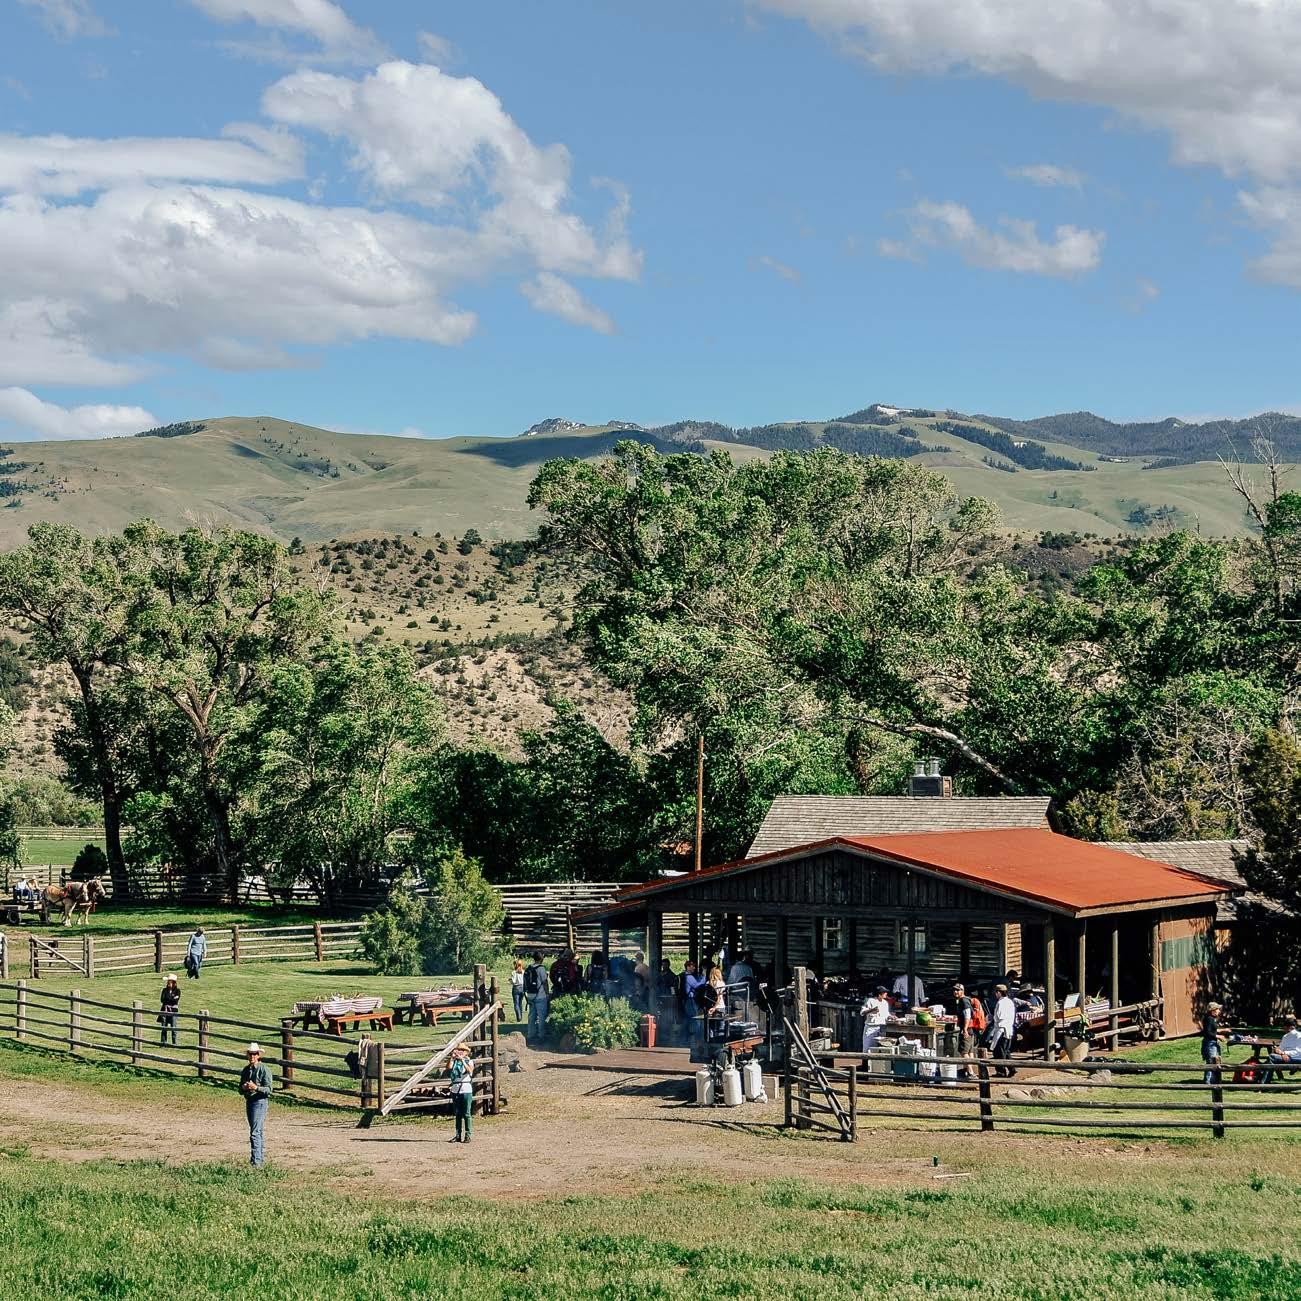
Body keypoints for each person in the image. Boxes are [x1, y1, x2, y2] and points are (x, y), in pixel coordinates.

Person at [239, 1042, 273, 1167]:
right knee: (257, 1131)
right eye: (250, 1054)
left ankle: (256, 1162)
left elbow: (269, 1089)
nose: (252, 1056)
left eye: (255, 1054)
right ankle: (258, 1159)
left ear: (258, 1055)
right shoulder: (245, 1070)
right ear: (247, 1055)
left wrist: (256, 1088)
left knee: (255, 1132)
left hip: (259, 1102)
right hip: (250, 1101)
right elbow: (239, 1089)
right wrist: (243, 1088)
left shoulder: (264, 1069)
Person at [987, 984, 1017, 1077]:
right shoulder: (1010, 1002)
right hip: (1009, 1028)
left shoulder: (1000, 1003)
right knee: (1005, 1051)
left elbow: (999, 1016)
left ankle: (1001, 1072)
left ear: (999, 992)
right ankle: (1012, 1068)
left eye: (996, 992)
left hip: (1001, 1029)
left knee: (998, 1052)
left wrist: (992, 1018)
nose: (996, 994)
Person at [448, 1043, 474, 1144]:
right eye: (459, 1050)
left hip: (466, 1088)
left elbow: (469, 1070)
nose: (460, 1052)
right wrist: (452, 1058)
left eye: (462, 1051)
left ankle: (468, 1134)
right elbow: (449, 1067)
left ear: (466, 1052)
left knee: (467, 1113)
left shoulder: (469, 1061)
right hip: (456, 1088)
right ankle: (458, 1134)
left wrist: (462, 1060)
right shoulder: (454, 1062)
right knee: (458, 1113)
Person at [524, 950, 549, 1043]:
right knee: (541, 1017)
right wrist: (547, 994)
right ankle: (541, 1035)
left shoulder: (529, 968)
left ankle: (530, 1034)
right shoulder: (541, 969)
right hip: (540, 995)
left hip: (531, 995)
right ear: (542, 958)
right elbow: (544, 982)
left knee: (532, 1016)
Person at [1200, 1001, 1228, 1084]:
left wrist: (1223, 1030)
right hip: (1210, 1043)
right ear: (1213, 1010)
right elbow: (1207, 1032)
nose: (1219, 1011)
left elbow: (1213, 1030)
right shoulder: (1209, 1019)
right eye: (1218, 1009)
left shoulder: (1211, 1019)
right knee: (1211, 1061)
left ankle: (1213, 1080)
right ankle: (1208, 1082)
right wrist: (1219, 1036)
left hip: (1212, 1042)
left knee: (1215, 1060)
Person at [952, 983, 974, 1076]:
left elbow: (967, 1015)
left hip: (967, 1029)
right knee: (969, 1051)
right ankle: (966, 1070)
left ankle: (971, 1072)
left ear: (962, 991)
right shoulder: (965, 1000)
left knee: (963, 1051)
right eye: (954, 990)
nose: (955, 992)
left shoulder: (964, 1001)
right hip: (970, 1029)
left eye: (958, 990)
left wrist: (964, 1029)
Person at [861, 985, 891, 1052]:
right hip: (871, 1027)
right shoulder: (870, 1001)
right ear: (879, 994)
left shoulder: (885, 1003)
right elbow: (862, 1012)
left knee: (879, 1049)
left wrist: (891, 1016)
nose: (886, 993)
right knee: (867, 1048)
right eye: (884, 992)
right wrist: (872, 1010)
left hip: (881, 1028)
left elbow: (886, 1014)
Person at [158, 974, 180, 1047]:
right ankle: (163, 1043)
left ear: (173, 983)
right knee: (164, 1027)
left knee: (173, 1028)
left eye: (169, 982)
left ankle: (174, 1044)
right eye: (168, 982)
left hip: (173, 1011)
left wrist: (169, 999)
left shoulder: (177, 991)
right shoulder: (164, 990)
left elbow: (175, 1001)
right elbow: (162, 1000)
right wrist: (171, 999)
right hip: (164, 1010)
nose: (168, 983)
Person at [509, 958, 526, 1023]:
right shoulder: (523, 972)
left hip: (516, 988)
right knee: (520, 1003)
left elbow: (513, 981)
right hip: (522, 988)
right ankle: (520, 1016)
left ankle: (518, 1017)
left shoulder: (514, 972)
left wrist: (510, 980)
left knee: (516, 1003)